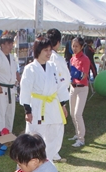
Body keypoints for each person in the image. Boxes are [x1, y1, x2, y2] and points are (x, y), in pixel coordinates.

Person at [20, 38, 69, 164]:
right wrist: (27, 110)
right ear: (38, 51)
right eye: (45, 50)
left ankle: (47, 160)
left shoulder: (53, 66)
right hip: (37, 105)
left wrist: (63, 105)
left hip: (53, 105)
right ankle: (28, 164)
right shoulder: (30, 68)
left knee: (55, 134)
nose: (49, 53)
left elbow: (59, 87)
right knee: (35, 136)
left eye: (50, 50)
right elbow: (25, 90)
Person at [46, 28, 71, 163]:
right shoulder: (54, 58)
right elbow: (60, 81)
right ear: (58, 42)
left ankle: (53, 153)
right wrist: (63, 103)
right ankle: (50, 155)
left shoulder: (52, 57)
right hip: (54, 97)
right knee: (55, 128)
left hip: (55, 96)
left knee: (55, 127)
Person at [0, 35, 20, 133]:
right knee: (0, 114)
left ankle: (8, 134)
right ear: (2, 45)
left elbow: (14, 71)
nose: (10, 46)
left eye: (11, 44)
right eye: (8, 44)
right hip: (1, 89)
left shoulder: (12, 57)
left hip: (11, 88)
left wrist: (17, 78)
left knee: (10, 114)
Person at [68, 36, 90, 148]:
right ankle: (77, 134)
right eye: (73, 46)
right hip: (73, 88)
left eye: (77, 46)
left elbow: (84, 75)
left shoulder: (85, 59)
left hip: (82, 88)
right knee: (72, 113)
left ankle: (81, 139)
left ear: (81, 47)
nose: (74, 48)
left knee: (77, 113)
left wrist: (73, 76)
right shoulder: (72, 59)